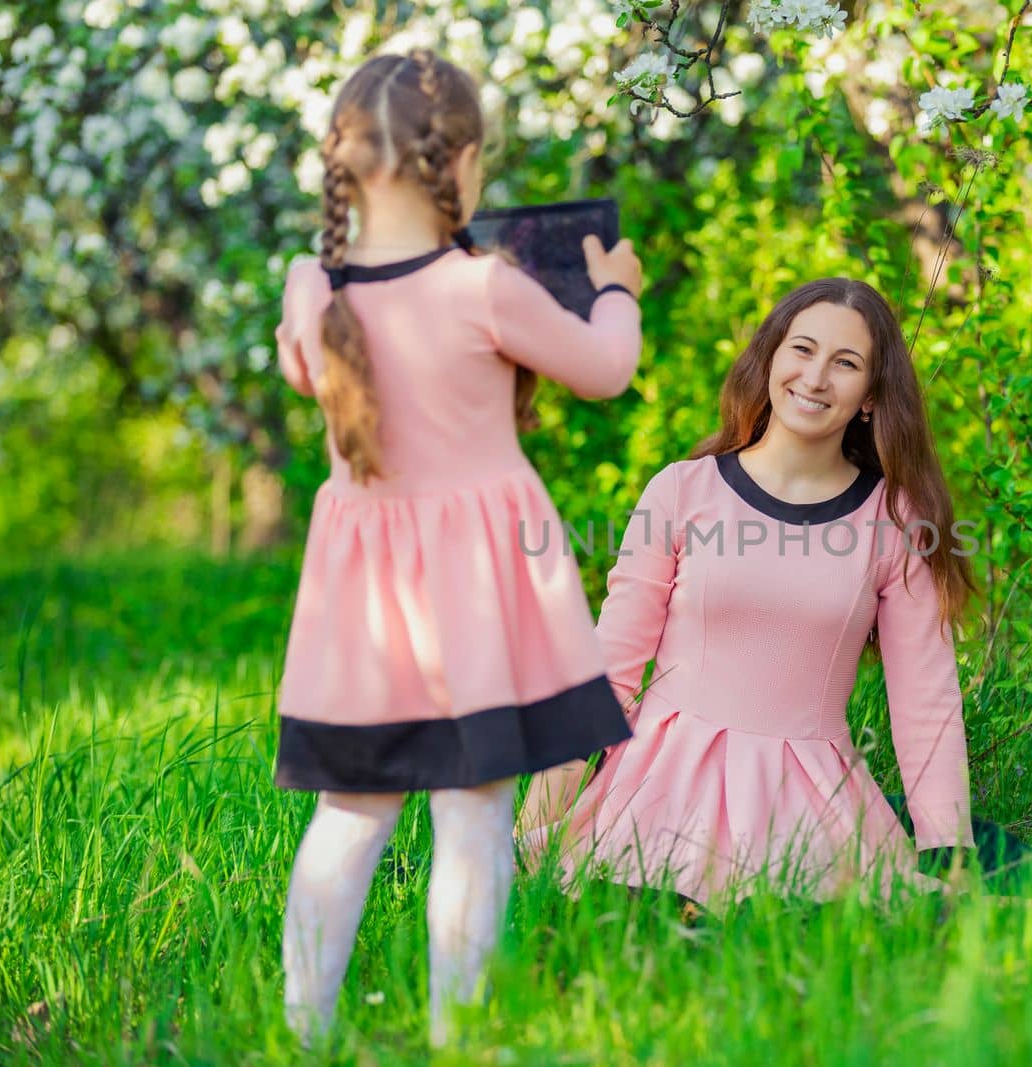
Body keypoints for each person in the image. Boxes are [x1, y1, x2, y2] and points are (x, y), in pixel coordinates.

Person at [270, 49, 644, 1048]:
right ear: (463, 166)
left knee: (349, 816)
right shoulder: (484, 288)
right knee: (474, 820)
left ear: (342, 169)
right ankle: (460, 1033)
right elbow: (606, 370)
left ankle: (302, 1032)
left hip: (362, 604)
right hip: (477, 588)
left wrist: (321, 280)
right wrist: (614, 288)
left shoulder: (315, 287)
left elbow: (305, 372)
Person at [516, 277, 977, 906]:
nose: (815, 377)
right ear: (770, 360)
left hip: (808, 802)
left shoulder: (895, 520)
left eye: (846, 364)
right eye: (802, 349)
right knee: (644, 929)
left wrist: (948, 852)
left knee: (808, 930)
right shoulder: (682, 491)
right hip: (660, 791)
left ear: (871, 396)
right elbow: (610, 673)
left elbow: (927, 699)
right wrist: (535, 824)